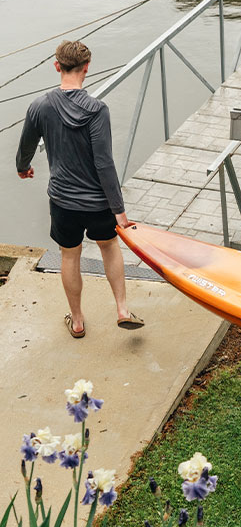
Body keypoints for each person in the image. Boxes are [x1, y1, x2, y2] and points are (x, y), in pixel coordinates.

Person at [15, 40, 144, 338]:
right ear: (87, 67)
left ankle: (76, 321)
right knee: (110, 248)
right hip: (99, 203)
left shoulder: (40, 106)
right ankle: (122, 310)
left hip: (62, 201)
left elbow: (26, 146)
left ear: (57, 66)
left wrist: (23, 167)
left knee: (69, 256)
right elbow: (104, 164)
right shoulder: (97, 110)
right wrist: (119, 211)